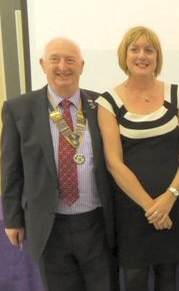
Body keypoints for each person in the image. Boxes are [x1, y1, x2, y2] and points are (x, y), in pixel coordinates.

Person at [1, 38, 117, 290]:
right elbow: (11, 167)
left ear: (82, 66)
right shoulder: (19, 108)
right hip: (49, 224)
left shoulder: (102, 106)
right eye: (55, 59)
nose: (62, 66)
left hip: (96, 223)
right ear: (43, 64)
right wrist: (12, 219)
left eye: (70, 60)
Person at [97, 26, 179, 290]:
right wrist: (151, 207)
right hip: (132, 210)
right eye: (135, 49)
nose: (142, 55)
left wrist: (169, 197)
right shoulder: (108, 102)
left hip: (174, 204)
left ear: (157, 56)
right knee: (134, 279)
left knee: (168, 277)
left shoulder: (176, 94)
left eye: (149, 50)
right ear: (125, 55)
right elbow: (113, 163)